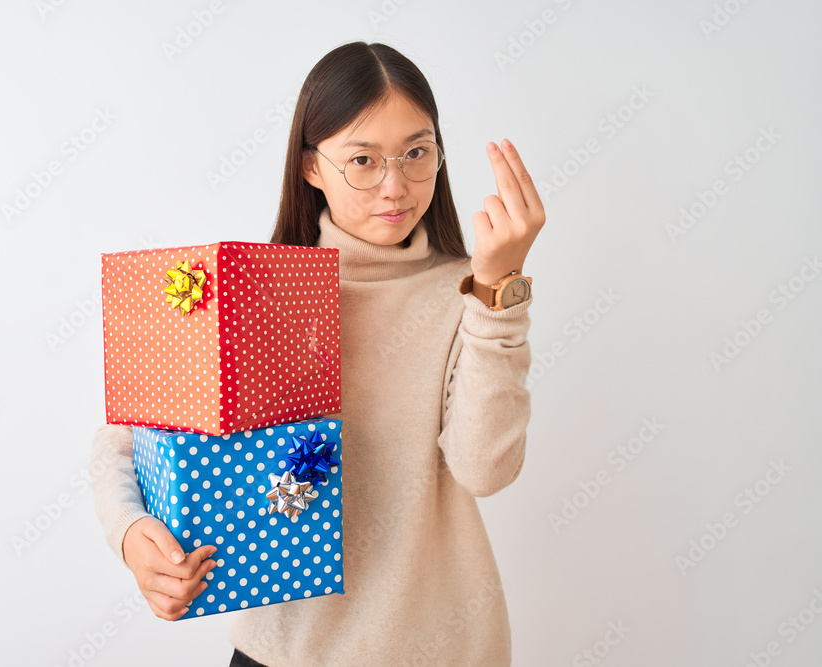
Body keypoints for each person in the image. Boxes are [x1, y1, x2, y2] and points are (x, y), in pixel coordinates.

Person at [90, 40, 545, 666]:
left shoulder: (468, 292)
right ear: (310, 167)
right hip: (283, 653)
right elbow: (123, 439)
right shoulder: (253, 288)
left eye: (417, 152)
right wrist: (132, 534)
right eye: (362, 159)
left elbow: (485, 469)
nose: (396, 185)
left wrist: (497, 294)